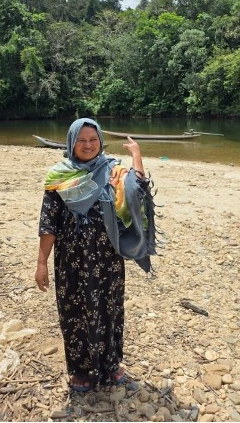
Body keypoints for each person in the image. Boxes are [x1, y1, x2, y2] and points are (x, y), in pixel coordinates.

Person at [35, 118, 156, 392]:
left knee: (109, 310)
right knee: (74, 312)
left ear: (100, 141)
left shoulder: (112, 170)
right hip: (71, 261)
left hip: (107, 259)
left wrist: (136, 155)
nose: (88, 145)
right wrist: (41, 263)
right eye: (82, 140)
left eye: (93, 140)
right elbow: (48, 224)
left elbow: (137, 192)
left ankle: (110, 364)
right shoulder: (58, 177)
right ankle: (81, 371)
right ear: (71, 143)